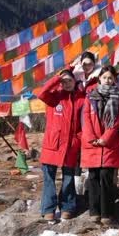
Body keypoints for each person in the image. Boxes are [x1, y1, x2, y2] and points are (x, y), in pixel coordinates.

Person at [37, 69, 85, 221]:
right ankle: (48, 209)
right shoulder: (54, 97)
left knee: (69, 178)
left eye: (70, 80)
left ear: (75, 81)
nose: (67, 83)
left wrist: (78, 139)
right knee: (49, 178)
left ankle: (67, 207)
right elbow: (41, 93)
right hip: (52, 143)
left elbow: (83, 123)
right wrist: (57, 78)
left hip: (71, 145)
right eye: (64, 81)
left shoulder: (81, 99)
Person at [81, 66, 119, 225]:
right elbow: (85, 119)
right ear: (99, 78)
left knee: (106, 177)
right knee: (93, 177)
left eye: (110, 78)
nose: (107, 80)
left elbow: (117, 122)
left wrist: (105, 138)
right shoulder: (90, 97)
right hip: (92, 144)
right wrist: (91, 137)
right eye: (105, 77)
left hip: (109, 144)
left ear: (114, 80)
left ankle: (107, 212)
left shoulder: (118, 98)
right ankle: (94, 211)